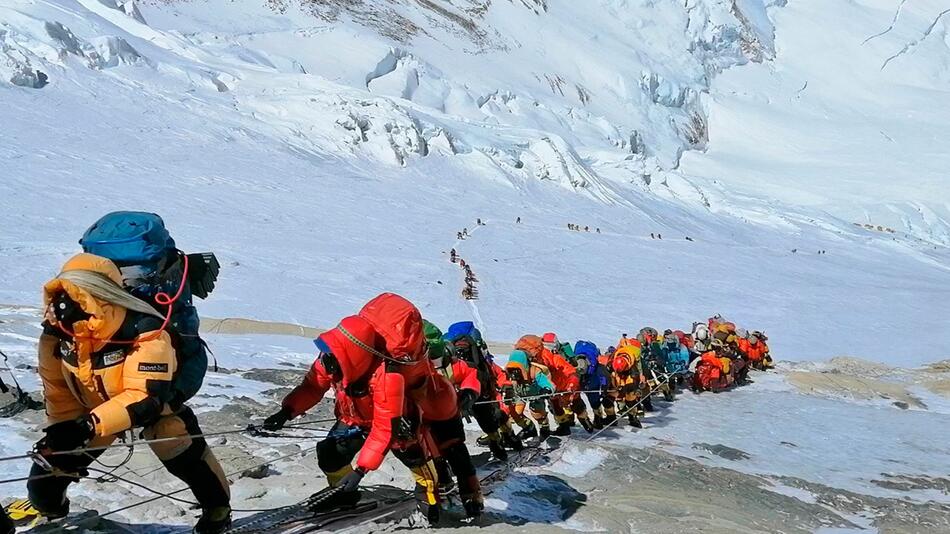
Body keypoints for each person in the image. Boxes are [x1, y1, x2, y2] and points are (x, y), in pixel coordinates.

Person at [27, 254, 231, 533]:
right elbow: (58, 386)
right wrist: (62, 427)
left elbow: (145, 396)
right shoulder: (60, 334)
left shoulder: (146, 330)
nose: (61, 305)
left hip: (153, 408)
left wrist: (87, 426)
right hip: (97, 412)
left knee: (187, 460)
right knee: (44, 482)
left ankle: (218, 514)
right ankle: (55, 517)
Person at [264, 294, 481, 521]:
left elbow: (385, 429)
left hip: (400, 426)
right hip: (354, 418)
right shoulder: (333, 358)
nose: (326, 359)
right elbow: (312, 386)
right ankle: (344, 493)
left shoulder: (388, 377)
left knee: (423, 464)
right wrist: (286, 411)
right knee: (329, 454)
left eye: (332, 354)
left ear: (350, 354)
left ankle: (444, 497)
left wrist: (360, 470)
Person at [538, 333, 593, 434]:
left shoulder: (556, 358)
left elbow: (571, 372)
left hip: (565, 385)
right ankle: (565, 426)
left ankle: (585, 422)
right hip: (553, 387)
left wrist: (572, 384)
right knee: (556, 407)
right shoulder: (541, 360)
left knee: (575, 405)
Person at [501, 350, 556, 440]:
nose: (514, 373)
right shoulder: (509, 374)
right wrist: (506, 390)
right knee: (515, 413)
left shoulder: (535, 372)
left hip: (536, 394)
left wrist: (546, 389)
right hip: (519, 394)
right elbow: (504, 382)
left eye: (517, 369)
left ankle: (545, 428)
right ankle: (529, 428)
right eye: (512, 369)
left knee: (538, 412)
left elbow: (546, 382)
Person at [573, 341, 610, 428]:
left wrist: (604, 388)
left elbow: (604, 377)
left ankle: (598, 418)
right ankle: (587, 419)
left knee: (594, 400)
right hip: (584, 381)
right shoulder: (574, 364)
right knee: (577, 400)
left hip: (592, 381)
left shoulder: (596, 366)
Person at [607, 345, 645, 428]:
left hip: (630, 381)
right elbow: (609, 375)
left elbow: (633, 385)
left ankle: (633, 418)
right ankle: (611, 418)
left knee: (630, 399)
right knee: (608, 399)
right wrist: (612, 386)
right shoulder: (612, 361)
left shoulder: (634, 371)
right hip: (617, 377)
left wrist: (624, 389)